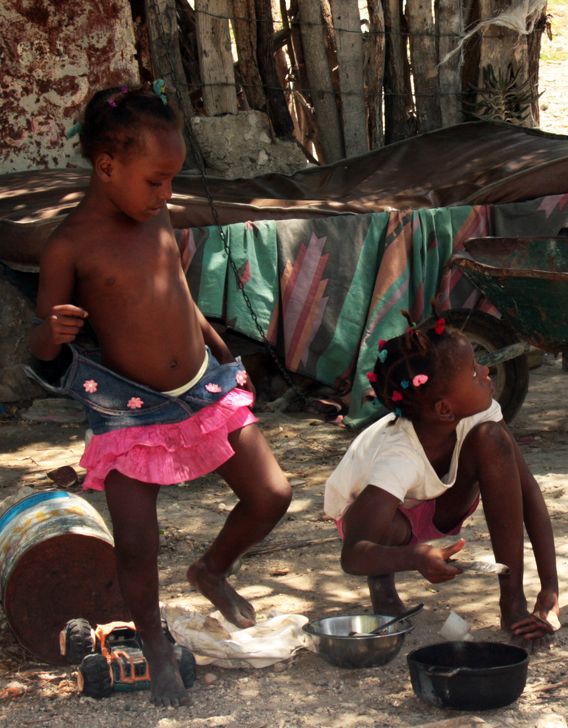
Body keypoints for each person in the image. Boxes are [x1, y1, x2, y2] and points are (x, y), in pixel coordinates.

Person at [27, 83, 291, 706]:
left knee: (272, 495)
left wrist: (228, 360)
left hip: (203, 387)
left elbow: (183, 298)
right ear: (107, 166)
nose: (165, 195)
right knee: (138, 543)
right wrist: (51, 334)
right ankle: (154, 642)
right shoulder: (68, 246)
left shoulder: (157, 217)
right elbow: (44, 355)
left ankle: (212, 569)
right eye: (155, 180)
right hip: (130, 411)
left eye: (172, 180)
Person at [324, 315, 559, 642]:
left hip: (433, 506)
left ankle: (512, 601)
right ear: (445, 409)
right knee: (387, 528)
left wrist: (550, 588)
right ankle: (382, 585)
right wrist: (414, 557)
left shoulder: (478, 412)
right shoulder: (398, 455)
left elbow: (528, 492)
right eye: (475, 372)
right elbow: (354, 554)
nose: (485, 372)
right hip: (374, 524)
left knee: (493, 439)